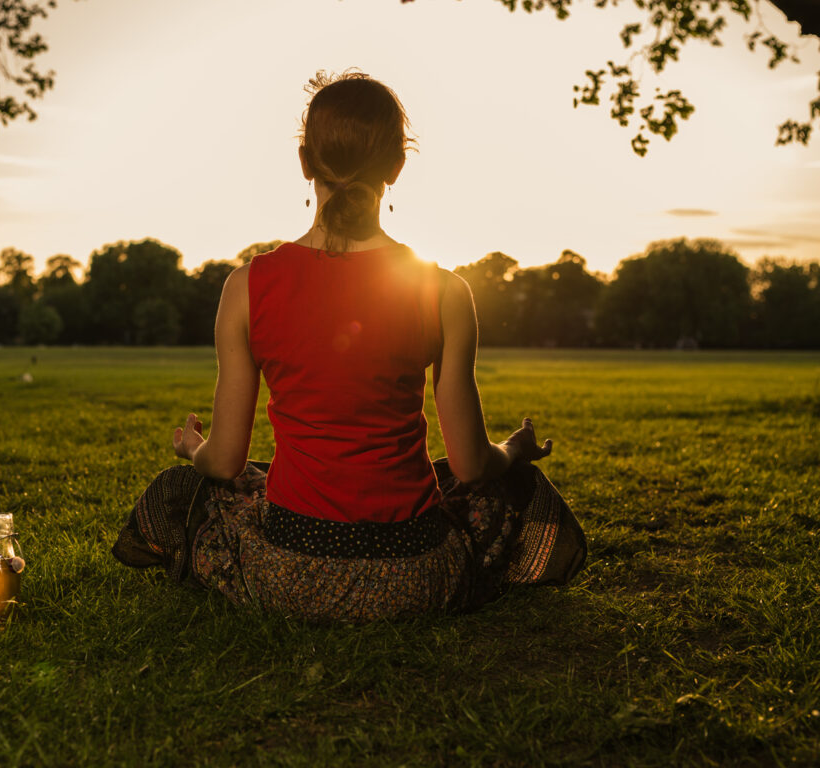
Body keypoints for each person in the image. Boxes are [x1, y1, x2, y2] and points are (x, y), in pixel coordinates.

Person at [112, 71, 586, 623]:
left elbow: (224, 462)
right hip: (418, 575)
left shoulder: (247, 286)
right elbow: (472, 467)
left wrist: (191, 447)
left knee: (191, 487)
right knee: (510, 482)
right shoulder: (446, 291)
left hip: (288, 574)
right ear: (397, 167)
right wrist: (514, 449)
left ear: (304, 161)